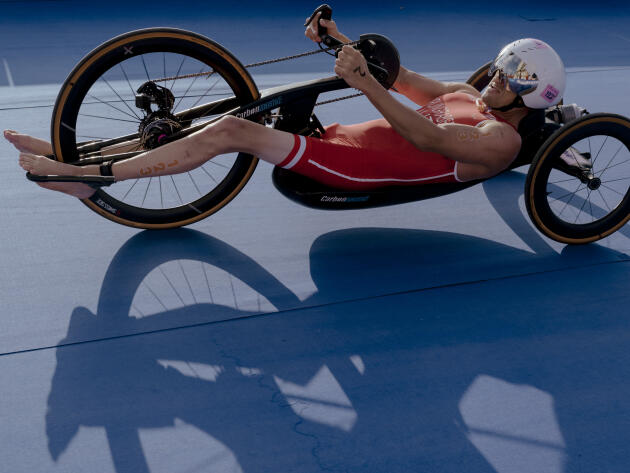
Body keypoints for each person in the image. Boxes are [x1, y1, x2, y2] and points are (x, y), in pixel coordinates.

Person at [4, 12, 566, 200]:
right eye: (499, 64)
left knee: (231, 131)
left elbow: (426, 139)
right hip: (343, 136)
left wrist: (365, 84)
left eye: (511, 75)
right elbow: (398, 79)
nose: (495, 77)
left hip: (355, 167)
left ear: (534, 93)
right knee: (234, 118)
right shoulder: (468, 96)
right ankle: (73, 153)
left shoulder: (502, 142)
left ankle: (87, 177)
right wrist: (338, 41)